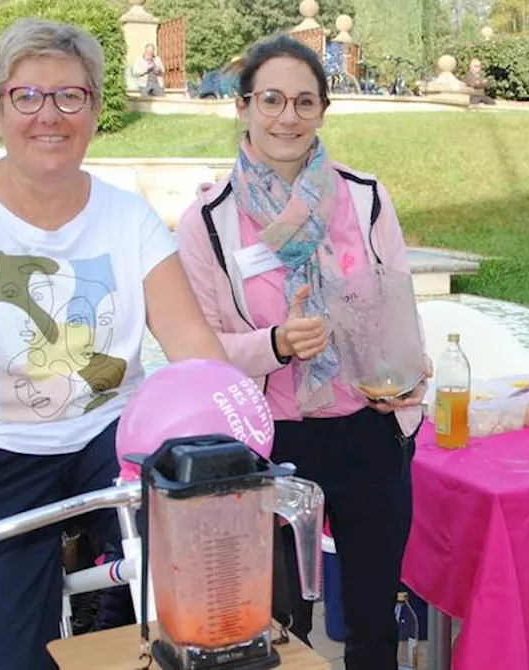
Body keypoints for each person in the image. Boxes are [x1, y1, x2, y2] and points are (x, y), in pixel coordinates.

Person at [0, 18, 227, 670]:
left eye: (71, 96)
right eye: (26, 97)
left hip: (112, 435)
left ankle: (117, 623)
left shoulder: (128, 216)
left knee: (204, 580)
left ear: (95, 110)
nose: (50, 115)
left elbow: (193, 345)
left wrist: (236, 443)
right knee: (14, 658)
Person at [175, 35, 426, 670]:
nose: (288, 116)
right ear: (244, 107)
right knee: (279, 625)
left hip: (369, 431)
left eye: (305, 101)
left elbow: (397, 305)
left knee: (373, 620)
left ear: (323, 110)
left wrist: (403, 373)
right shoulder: (209, 221)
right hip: (269, 444)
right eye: (272, 99)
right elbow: (196, 357)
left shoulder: (365, 197)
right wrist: (275, 344)